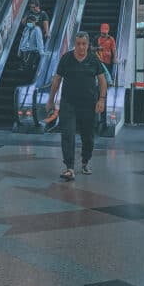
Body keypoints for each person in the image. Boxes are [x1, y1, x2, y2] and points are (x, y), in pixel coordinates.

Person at [45, 32, 107, 180]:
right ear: (75, 44)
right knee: (67, 134)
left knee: (88, 136)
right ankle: (69, 168)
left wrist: (102, 100)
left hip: (89, 104)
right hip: (68, 103)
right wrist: (51, 99)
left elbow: (103, 81)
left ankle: (85, 161)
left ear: (88, 45)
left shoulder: (93, 60)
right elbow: (57, 79)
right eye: (78, 44)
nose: (81, 47)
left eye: (84, 44)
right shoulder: (66, 58)